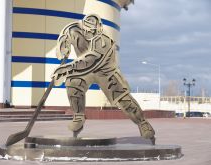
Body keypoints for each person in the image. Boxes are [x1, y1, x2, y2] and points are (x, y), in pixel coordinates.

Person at [52, 14, 155, 144]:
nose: (89, 32)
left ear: (98, 28)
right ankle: (78, 116)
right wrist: (63, 49)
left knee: (124, 99)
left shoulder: (104, 40)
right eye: (87, 29)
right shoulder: (74, 29)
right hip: (85, 71)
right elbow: (65, 36)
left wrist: (66, 69)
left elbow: (90, 60)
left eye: (92, 30)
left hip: (106, 72)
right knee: (73, 82)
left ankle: (143, 123)